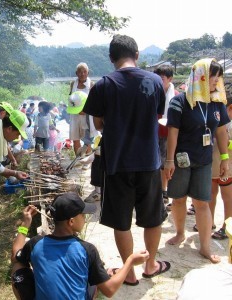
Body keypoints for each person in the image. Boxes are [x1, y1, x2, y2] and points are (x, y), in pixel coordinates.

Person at [83, 35, 170, 284]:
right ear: (138, 55)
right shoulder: (155, 81)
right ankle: (151, 265)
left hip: (118, 163)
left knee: (121, 221)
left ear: (111, 58)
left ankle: (129, 273)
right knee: (153, 218)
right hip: (149, 161)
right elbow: (156, 116)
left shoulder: (103, 85)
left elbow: (98, 123)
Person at [11, 192, 150, 300]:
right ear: (71, 221)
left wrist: (25, 224)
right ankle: (104, 274)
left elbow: (15, 256)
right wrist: (130, 261)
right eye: (82, 215)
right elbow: (109, 290)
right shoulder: (86, 249)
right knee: (94, 279)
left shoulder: (36, 243)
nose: (85, 218)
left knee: (18, 265)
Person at [164, 58, 229, 264]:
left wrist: (225, 158)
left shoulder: (216, 102)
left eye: (218, 77)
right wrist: (168, 160)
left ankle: (205, 247)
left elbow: (221, 131)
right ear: (200, 76)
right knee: (179, 199)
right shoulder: (180, 101)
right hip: (182, 160)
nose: (216, 81)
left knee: (202, 202)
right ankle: (180, 232)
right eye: (213, 76)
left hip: (204, 160)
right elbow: (172, 133)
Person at [154, 65, 179, 205]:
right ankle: (158, 190)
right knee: (155, 164)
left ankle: (164, 191)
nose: (159, 80)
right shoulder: (153, 93)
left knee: (166, 164)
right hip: (154, 133)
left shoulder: (176, 96)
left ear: (170, 79)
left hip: (169, 135)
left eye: (162, 78)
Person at [208, 96, 232, 240]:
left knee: (227, 197)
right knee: (210, 195)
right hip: (212, 165)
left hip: (227, 167)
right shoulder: (218, 121)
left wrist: (226, 142)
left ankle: (226, 227)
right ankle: (209, 222)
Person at [68, 63, 96, 156]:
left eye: (84, 72)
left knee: (87, 139)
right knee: (75, 138)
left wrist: (86, 110)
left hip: (86, 116)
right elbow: (71, 98)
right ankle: (78, 160)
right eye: (80, 72)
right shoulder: (73, 84)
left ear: (88, 73)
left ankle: (86, 162)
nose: (82, 74)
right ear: (76, 73)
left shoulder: (91, 84)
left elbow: (94, 101)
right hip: (75, 115)